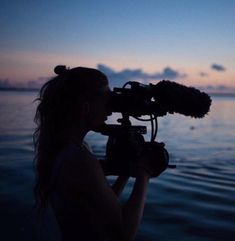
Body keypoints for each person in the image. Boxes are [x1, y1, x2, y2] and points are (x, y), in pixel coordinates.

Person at [33, 65, 165, 241]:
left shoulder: (72, 149)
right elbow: (123, 235)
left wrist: (126, 171)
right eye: (106, 100)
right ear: (85, 108)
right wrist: (144, 173)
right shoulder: (79, 160)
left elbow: (101, 205)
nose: (110, 110)